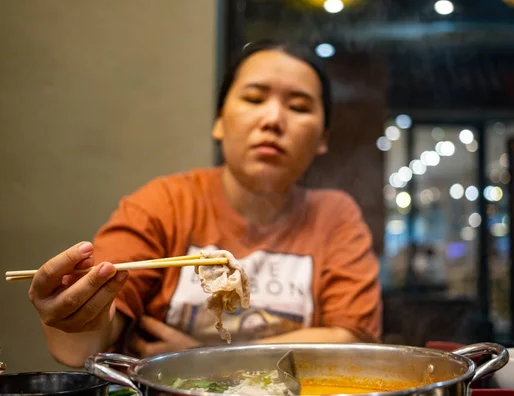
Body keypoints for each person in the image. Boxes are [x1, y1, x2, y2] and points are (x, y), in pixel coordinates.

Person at [28, 40, 383, 368]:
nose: (273, 120)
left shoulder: (334, 216)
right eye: (254, 99)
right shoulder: (167, 203)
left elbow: (350, 343)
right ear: (218, 121)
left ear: (322, 139)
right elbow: (86, 344)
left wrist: (209, 359)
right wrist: (73, 317)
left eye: (298, 106)